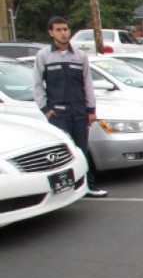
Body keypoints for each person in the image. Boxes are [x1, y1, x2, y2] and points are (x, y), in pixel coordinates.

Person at [33, 16, 108, 197]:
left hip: (79, 113)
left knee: (82, 151)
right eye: (59, 30)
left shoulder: (80, 56)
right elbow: (37, 85)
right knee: (63, 154)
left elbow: (87, 84)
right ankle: (65, 190)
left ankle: (88, 187)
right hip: (58, 114)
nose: (64, 33)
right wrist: (46, 109)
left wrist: (91, 109)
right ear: (51, 32)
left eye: (66, 29)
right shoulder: (43, 56)